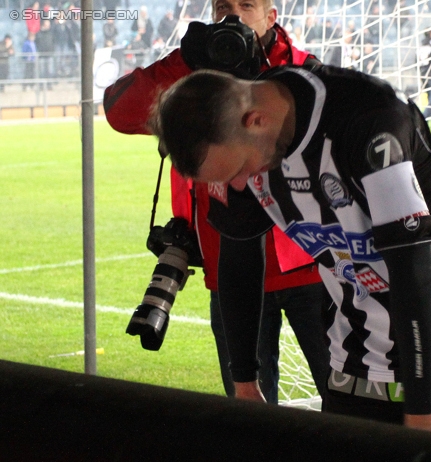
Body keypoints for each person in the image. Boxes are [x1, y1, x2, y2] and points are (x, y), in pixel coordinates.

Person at [151, 65, 431, 441]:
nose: (241, 186)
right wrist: (244, 380)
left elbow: (412, 266)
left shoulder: (371, 120)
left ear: (256, 120)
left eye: (242, 170)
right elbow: (239, 257)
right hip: (353, 350)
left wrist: (422, 406)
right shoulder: (238, 147)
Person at [104, 0, 330, 404]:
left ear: (271, 17)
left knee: (349, 403)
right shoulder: (193, 79)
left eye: (247, 5)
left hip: (311, 267)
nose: (235, 15)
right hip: (229, 267)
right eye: (224, 6)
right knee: (248, 411)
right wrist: (185, 61)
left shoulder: (300, 69)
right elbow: (121, 113)